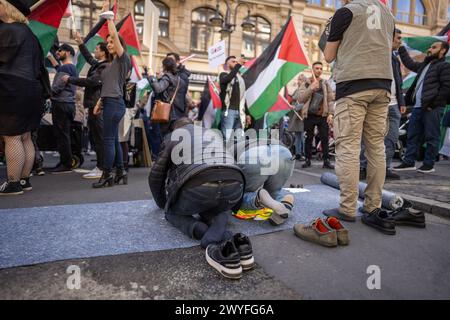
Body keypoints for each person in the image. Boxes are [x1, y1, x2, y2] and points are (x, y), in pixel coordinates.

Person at [323, 0, 396, 235]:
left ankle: (347, 208)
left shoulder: (345, 12)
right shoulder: (388, 14)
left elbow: (328, 55)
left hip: (353, 85)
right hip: (383, 84)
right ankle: (373, 206)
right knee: (376, 147)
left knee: (348, 147)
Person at [148, 117, 245, 249]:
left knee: (171, 213)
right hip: (234, 183)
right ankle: (220, 216)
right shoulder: (212, 133)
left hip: (199, 183)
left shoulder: (172, 136)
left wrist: (164, 204)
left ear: (174, 128)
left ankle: (199, 229)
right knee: (210, 205)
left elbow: (156, 176)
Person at [0, 0, 50, 195]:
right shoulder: (31, 35)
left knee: (12, 136)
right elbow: (40, 67)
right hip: (32, 89)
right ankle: (23, 180)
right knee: (25, 137)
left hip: (12, 88)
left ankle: (12, 182)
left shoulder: (6, 31)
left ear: (7, 7)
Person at [393, 40, 450, 174]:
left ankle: (428, 164)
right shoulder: (425, 65)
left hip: (432, 108)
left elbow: (447, 88)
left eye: (434, 47)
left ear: (443, 51)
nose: (430, 49)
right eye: (430, 47)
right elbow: (410, 63)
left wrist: (433, 104)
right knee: (412, 135)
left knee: (432, 136)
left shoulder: (444, 66)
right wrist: (401, 49)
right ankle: (409, 162)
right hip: (418, 107)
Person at [92, 1, 132, 188]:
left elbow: (115, 35)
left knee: (107, 140)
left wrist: (109, 18)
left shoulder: (123, 60)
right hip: (110, 102)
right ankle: (120, 171)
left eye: (111, 42)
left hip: (115, 104)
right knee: (113, 139)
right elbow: (108, 86)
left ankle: (107, 174)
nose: (109, 44)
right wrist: (99, 102)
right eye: (106, 42)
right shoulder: (109, 65)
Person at [360, 29, 407, 181]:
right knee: (369, 137)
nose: (400, 41)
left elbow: (398, 82)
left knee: (391, 138)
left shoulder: (395, 58)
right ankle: (363, 167)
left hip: (393, 105)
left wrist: (401, 101)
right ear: (389, 37)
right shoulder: (375, 53)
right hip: (376, 102)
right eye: (398, 38)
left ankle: (384, 168)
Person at [67, 32, 111, 179]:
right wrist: (80, 42)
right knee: (95, 136)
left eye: (97, 49)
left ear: (104, 52)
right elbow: (88, 57)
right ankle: (101, 166)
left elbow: (91, 82)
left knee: (99, 137)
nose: (95, 51)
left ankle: (101, 168)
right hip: (94, 104)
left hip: (97, 105)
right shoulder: (99, 64)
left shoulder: (104, 66)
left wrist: (71, 79)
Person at [234, 138, 295, 227]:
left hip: (255, 155)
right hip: (284, 152)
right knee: (273, 192)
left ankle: (259, 199)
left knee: (239, 196)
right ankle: (284, 201)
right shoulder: (251, 140)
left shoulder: (228, 149)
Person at [297, 62, 335, 169]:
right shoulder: (306, 83)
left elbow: (330, 99)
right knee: (308, 138)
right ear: (312, 70)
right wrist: (311, 89)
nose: (319, 70)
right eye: (316, 68)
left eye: (320, 68)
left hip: (322, 115)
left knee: (325, 138)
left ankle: (326, 160)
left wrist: (331, 114)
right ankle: (308, 159)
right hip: (309, 115)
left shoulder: (325, 83)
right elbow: (300, 98)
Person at [47, 43, 78, 174]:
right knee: (64, 134)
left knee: (62, 135)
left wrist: (46, 93)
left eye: (61, 50)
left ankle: (66, 164)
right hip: (68, 104)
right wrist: (50, 57)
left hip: (61, 104)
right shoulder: (70, 68)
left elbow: (58, 86)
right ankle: (65, 161)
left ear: (68, 53)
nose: (58, 52)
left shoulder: (66, 68)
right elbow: (59, 70)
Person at [148, 57, 187, 134]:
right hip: (178, 113)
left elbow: (158, 88)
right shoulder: (180, 80)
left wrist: (151, 77)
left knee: (165, 137)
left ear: (165, 66)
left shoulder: (167, 77)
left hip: (167, 114)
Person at [219, 56, 248, 142]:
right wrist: (238, 65)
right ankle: (224, 155)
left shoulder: (240, 79)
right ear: (227, 65)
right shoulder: (223, 75)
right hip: (229, 111)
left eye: (236, 62)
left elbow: (242, 98)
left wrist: (247, 113)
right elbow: (228, 78)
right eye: (233, 61)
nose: (235, 63)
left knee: (240, 139)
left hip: (239, 112)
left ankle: (237, 155)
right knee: (227, 139)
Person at [288, 75, 307, 160]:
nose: (298, 81)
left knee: (301, 136)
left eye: (300, 80)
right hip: (296, 115)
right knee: (298, 135)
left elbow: (303, 102)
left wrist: (295, 107)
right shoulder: (298, 89)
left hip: (300, 116)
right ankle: (298, 152)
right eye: (298, 79)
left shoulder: (303, 90)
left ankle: (302, 153)